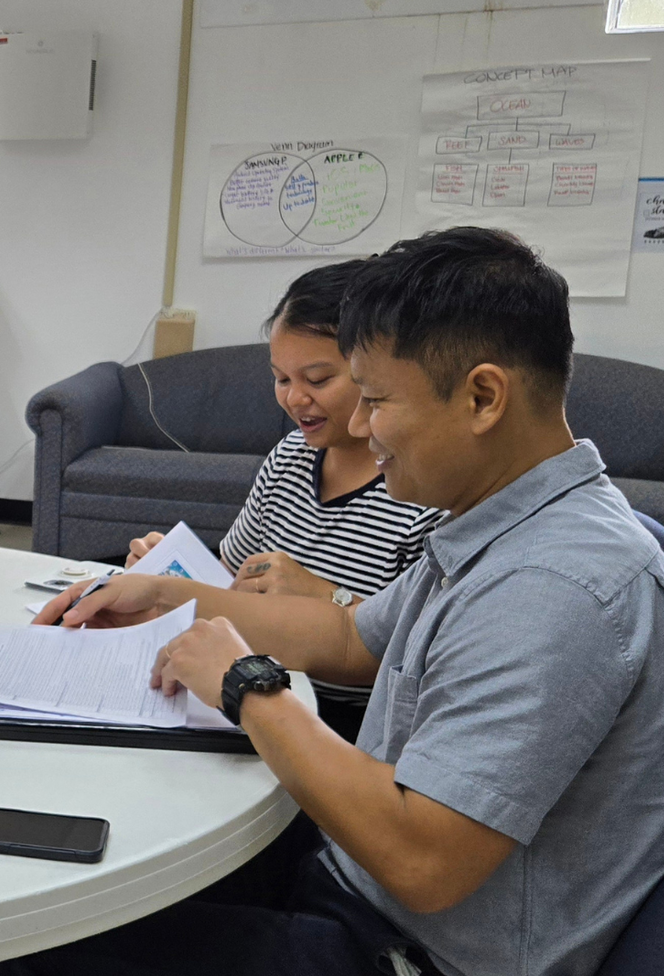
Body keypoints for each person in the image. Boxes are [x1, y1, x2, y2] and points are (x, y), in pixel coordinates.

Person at [0, 227, 664, 976]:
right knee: (93, 874)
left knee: (46, 947)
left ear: (483, 396)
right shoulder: (501, 516)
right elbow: (353, 636)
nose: (360, 424)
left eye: (377, 400)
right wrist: (172, 593)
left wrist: (249, 685)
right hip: (377, 901)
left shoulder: (559, 586)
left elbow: (424, 859)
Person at [118, 261, 443, 740]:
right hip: (245, 687)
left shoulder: (425, 490)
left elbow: (416, 660)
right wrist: (169, 575)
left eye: (317, 379)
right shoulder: (291, 455)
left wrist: (326, 594)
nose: (294, 399)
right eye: (282, 378)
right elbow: (231, 580)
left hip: (343, 726)